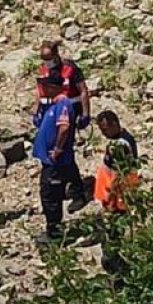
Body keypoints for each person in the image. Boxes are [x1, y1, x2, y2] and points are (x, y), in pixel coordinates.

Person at [35, 39, 92, 213]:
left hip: (69, 111)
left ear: (56, 55)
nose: (47, 62)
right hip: (50, 112)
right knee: (52, 149)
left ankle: (76, 191)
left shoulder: (70, 68)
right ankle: (60, 184)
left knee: (64, 152)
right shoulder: (44, 71)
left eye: (49, 58)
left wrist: (85, 113)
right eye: (43, 59)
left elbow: (82, 90)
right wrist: (38, 112)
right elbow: (41, 93)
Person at [32, 73, 79, 243]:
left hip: (56, 162)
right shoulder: (53, 104)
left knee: (51, 195)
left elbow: (64, 127)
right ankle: (53, 229)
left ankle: (55, 234)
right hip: (49, 161)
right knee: (48, 194)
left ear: (53, 87)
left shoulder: (63, 104)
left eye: (45, 86)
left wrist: (58, 149)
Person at [93, 110, 140, 214]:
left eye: (105, 130)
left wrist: (111, 195)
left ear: (114, 124)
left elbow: (120, 173)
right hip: (110, 186)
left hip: (118, 190)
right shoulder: (119, 138)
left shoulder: (121, 145)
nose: (103, 134)